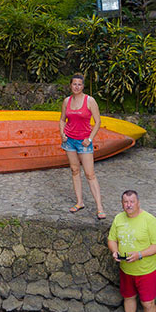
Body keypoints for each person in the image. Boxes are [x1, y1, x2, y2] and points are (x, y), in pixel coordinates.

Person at [107, 189, 156, 312]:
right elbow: (112, 239)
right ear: (122, 203)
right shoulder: (119, 218)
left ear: (138, 202)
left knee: (148, 303)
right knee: (128, 297)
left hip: (146, 270)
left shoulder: (149, 220)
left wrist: (140, 254)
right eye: (125, 202)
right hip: (126, 269)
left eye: (132, 202)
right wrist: (114, 251)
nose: (129, 205)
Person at [58, 73, 106, 220]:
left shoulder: (90, 101)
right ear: (70, 85)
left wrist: (90, 139)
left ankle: (99, 207)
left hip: (84, 142)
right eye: (74, 84)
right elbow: (62, 120)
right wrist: (62, 134)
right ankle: (80, 202)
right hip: (69, 141)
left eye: (79, 84)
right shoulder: (67, 101)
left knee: (90, 174)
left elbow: (97, 122)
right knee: (74, 170)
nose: (77, 86)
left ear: (83, 86)